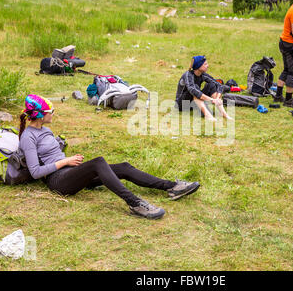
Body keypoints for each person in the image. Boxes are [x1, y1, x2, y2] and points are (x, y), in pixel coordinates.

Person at [18, 94, 200, 220]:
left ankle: (171, 187)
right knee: (98, 162)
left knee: (124, 167)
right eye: (51, 111)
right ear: (40, 114)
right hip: (59, 182)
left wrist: (70, 163)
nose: (53, 114)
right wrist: (66, 161)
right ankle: (135, 204)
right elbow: (35, 172)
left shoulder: (45, 129)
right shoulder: (28, 137)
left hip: (71, 173)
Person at [175, 56, 233, 121]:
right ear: (198, 66)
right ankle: (208, 115)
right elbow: (192, 90)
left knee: (212, 85)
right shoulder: (188, 75)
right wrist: (211, 99)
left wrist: (217, 98)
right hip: (182, 105)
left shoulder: (202, 75)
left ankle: (223, 113)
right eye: (205, 64)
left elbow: (219, 85)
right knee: (195, 89)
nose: (208, 66)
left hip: (193, 103)